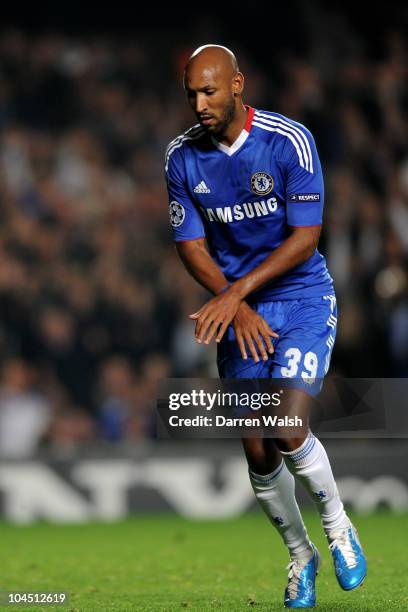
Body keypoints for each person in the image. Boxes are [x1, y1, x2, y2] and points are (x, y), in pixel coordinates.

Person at [164, 44, 367, 609]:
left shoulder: (288, 140)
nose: (199, 103)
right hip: (241, 311)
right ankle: (302, 556)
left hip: (299, 297)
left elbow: (306, 238)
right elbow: (190, 245)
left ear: (237, 85)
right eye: (191, 94)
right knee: (258, 451)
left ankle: (337, 524)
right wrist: (235, 302)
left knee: (285, 424)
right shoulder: (180, 157)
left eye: (208, 91)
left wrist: (236, 294)